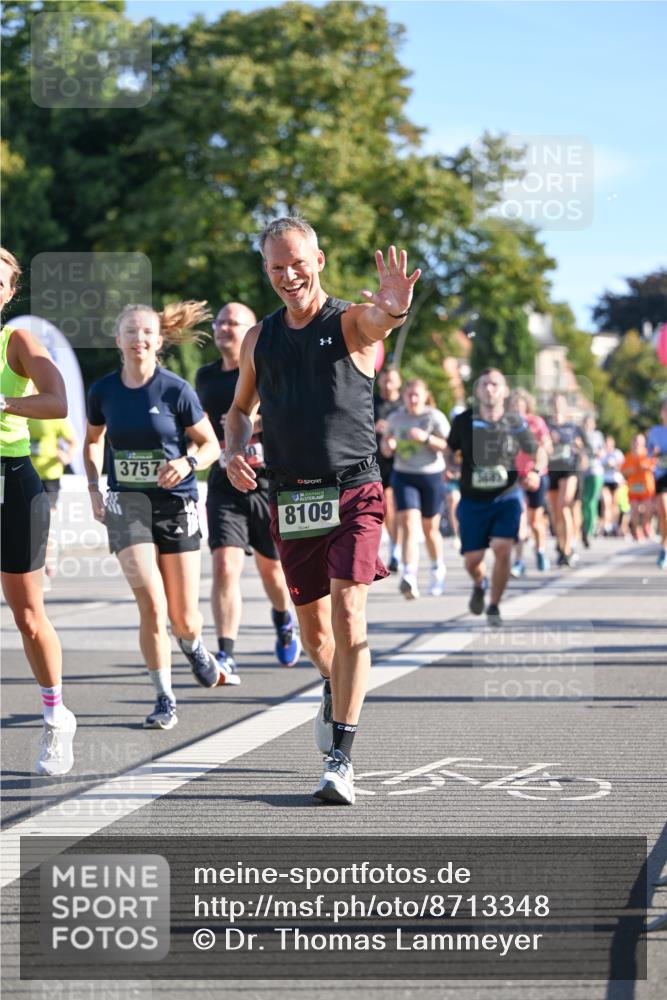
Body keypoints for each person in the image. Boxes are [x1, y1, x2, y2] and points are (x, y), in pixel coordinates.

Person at [225, 216, 420, 805]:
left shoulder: (349, 322)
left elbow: (378, 321)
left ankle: (341, 758)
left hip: (354, 488)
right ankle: (333, 688)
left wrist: (393, 308)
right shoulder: (260, 338)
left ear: (320, 260)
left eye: (297, 263)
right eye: (276, 267)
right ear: (266, 271)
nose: (288, 276)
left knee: (350, 615)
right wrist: (234, 450)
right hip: (292, 497)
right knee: (316, 637)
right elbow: (238, 410)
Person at [84, 301, 231, 733]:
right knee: (152, 602)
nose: (139, 339)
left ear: (159, 340)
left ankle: (193, 643)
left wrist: (187, 462)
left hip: (175, 504)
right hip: (127, 505)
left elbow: (211, 445)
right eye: (130, 331)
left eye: (146, 332)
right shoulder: (103, 391)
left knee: (183, 616)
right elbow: (93, 443)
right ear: (118, 340)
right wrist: (94, 487)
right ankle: (164, 696)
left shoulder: (176, 390)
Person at [0, 247, 77, 774]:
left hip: (12, 483)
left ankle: (55, 718)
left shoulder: (16, 341)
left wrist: (5, 404)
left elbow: (57, 401)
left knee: (28, 616)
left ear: (9, 293)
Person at [195, 301, 301, 673]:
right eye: (220, 322)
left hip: (266, 483)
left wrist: (253, 427)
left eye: (233, 323)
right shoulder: (205, 378)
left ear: (252, 332)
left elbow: (291, 419)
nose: (224, 328)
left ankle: (283, 618)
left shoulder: (267, 371)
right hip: (225, 485)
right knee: (225, 565)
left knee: (274, 571)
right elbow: (202, 429)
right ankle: (225, 652)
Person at [446, 368, 546, 626]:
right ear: (477, 391)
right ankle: (480, 584)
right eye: (484, 384)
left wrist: (535, 472)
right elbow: (449, 450)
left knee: (503, 549)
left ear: (504, 391)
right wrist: (450, 466)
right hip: (472, 500)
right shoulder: (463, 421)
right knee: (472, 560)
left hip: (506, 497)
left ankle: (493, 605)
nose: (489, 389)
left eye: (495, 384)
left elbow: (539, 451)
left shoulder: (515, 422)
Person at [381, 377, 449, 598]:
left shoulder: (434, 416)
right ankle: (409, 575)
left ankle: (438, 566)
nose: (411, 400)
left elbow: (447, 446)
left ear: (424, 396)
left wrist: (426, 438)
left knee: (430, 528)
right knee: (409, 524)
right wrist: (388, 445)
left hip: (431, 476)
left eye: (415, 395)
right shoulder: (396, 417)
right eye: (408, 395)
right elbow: (385, 446)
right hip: (404, 475)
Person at [28, 413, 78, 578]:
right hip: (24, 474)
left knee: (45, 521)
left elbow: (73, 442)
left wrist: (67, 456)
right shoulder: (19, 413)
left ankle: (48, 560)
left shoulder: (54, 416)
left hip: (50, 476)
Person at [508, 388, 552, 575]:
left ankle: (540, 550)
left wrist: (535, 470)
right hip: (515, 477)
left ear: (526, 406)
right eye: (514, 406)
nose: (517, 409)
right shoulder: (506, 424)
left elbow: (547, 447)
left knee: (535, 521)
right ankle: (518, 561)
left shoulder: (536, 422)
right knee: (518, 519)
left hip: (536, 475)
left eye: (520, 405)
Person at [546, 393, 584, 566]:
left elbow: (587, 449)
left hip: (569, 470)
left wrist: (580, 449)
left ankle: (568, 547)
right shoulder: (546, 426)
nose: (556, 407)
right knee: (556, 513)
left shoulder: (573, 427)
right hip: (551, 470)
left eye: (560, 404)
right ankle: (562, 546)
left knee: (564, 505)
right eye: (554, 404)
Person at [373, 367, 402, 572]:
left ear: (399, 382)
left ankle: (395, 549)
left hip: (399, 461)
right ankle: (379, 550)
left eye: (391, 381)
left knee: (390, 505)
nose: (388, 385)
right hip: (373, 461)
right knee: (378, 507)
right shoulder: (371, 401)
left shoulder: (403, 405)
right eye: (384, 381)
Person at [621, 433, 656, 541]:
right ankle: (637, 530)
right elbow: (623, 471)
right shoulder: (628, 456)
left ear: (643, 443)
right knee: (634, 509)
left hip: (646, 488)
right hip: (633, 488)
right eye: (636, 442)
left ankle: (646, 525)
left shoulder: (648, 454)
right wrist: (630, 470)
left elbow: (654, 467)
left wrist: (646, 467)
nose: (637, 444)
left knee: (648, 508)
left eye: (640, 442)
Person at [647, 399, 667, 568]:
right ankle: (664, 548)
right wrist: (654, 454)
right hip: (661, 475)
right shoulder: (655, 431)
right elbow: (648, 455)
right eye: (665, 410)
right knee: (664, 513)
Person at [600, 435, 625, 535]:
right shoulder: (602, 454)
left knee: (615, 503)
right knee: (606, 503)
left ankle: (614, 523)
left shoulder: (617, 453)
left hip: (616, 480)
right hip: (605, 480)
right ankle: (607, 524)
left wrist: (614, 464)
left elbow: (622, 466)